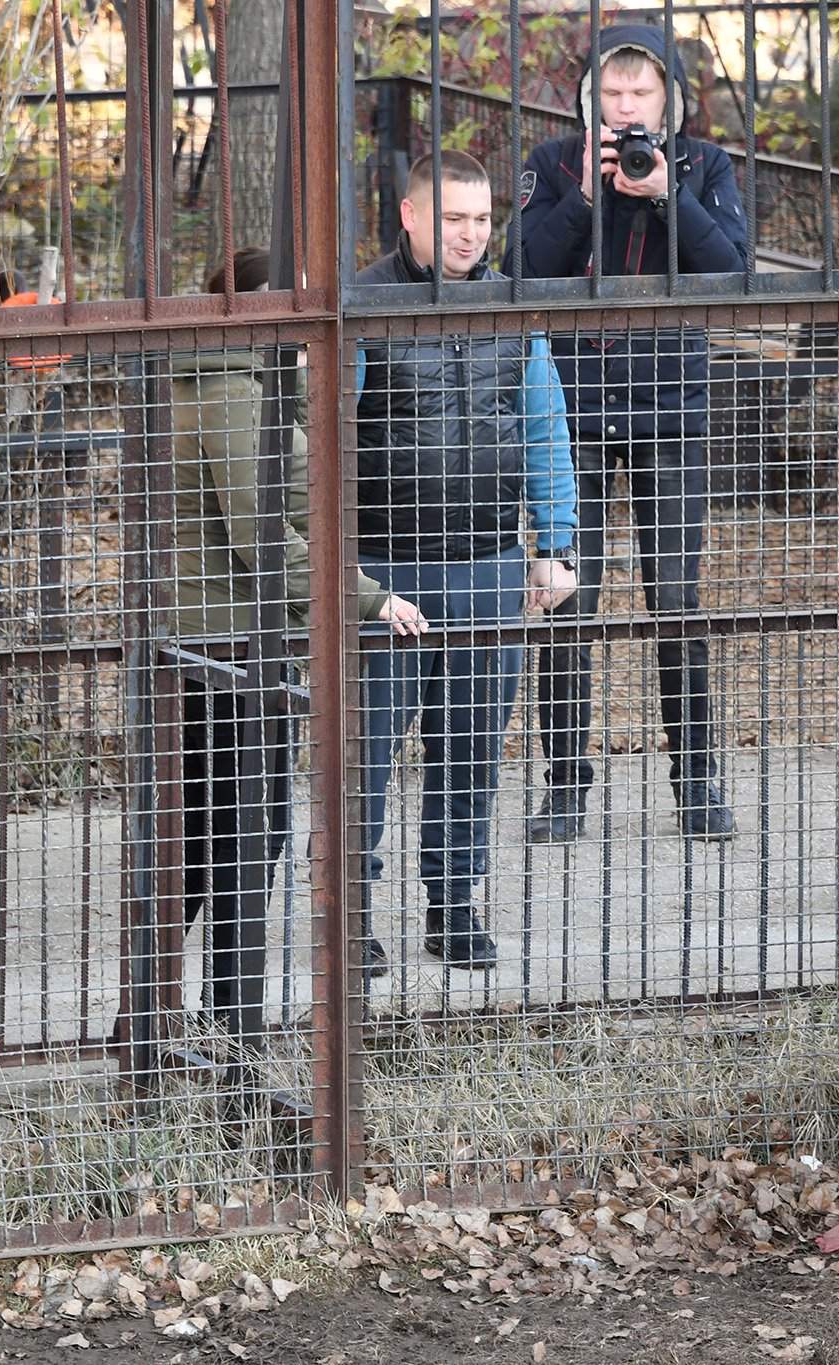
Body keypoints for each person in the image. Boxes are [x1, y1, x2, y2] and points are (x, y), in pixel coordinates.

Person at [172, 247, 430, 1024]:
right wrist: (365, 597)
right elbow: (261, 533)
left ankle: (167, 1006)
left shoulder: (227, 377)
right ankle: (224, 1013)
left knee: (212, 834)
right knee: (240, 834)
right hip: (230, 648)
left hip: (218, 641)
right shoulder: (230, 393)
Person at [516, 23, 748, 844]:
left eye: (640, 94)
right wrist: (584, 196)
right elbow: (519, 269)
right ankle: (565, 787)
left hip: (671, 409)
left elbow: (731, 272)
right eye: (611, 95)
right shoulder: (552, 165)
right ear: (590, 102)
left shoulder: (703, 166)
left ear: (667, 102)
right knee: (569, 598)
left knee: (675, 600)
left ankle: (697, 783)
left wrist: (663, 196)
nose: (625, 110)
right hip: (569, 407)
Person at [354, 150, 580, 971]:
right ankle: (350, 913)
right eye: (454, 218)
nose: (471, 234)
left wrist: (555, 546)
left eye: (483, 219)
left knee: (473, 749)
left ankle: (453, 908)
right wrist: (352, 582)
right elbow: (326, 444)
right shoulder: (363, 305)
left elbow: (546, 429)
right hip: (387, 570)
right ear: (412, 215)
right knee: (365, 755)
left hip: (488, 564)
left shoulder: (511, 309)